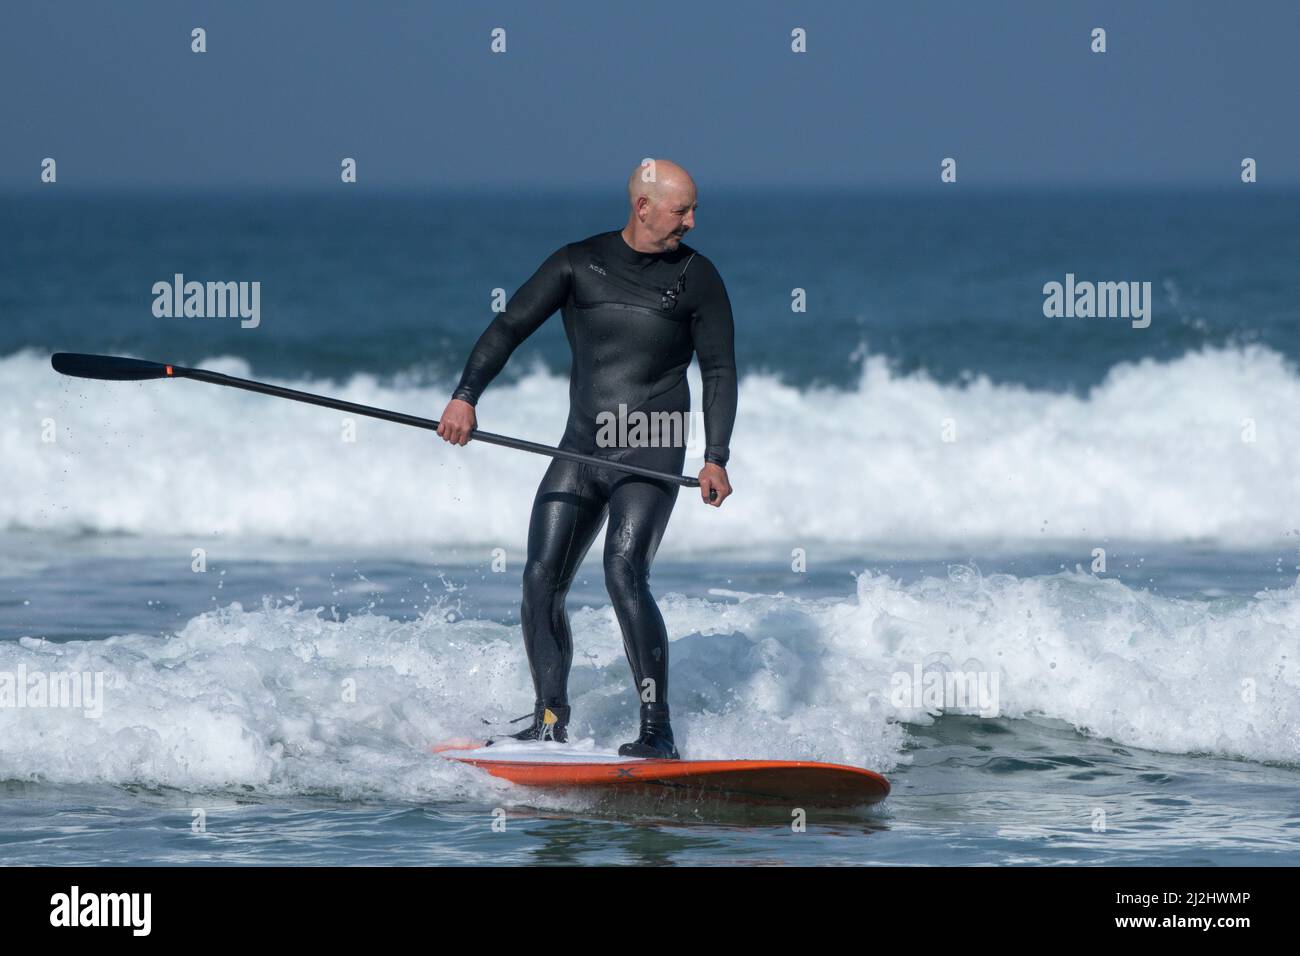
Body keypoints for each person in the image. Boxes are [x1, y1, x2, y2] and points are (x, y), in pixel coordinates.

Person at [437, 159, 737, 758]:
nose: (692, 221)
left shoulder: (699, 277)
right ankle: (551, 719)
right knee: (540, 577)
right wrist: (465, 397)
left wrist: (715, 456)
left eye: (693, 209)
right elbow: (508, 327)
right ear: (643, 206)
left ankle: (658, 731)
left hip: (652, 447)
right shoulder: (577, 262)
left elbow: (720, 371)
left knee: (623, 571)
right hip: (581, 447)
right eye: (682, 210)